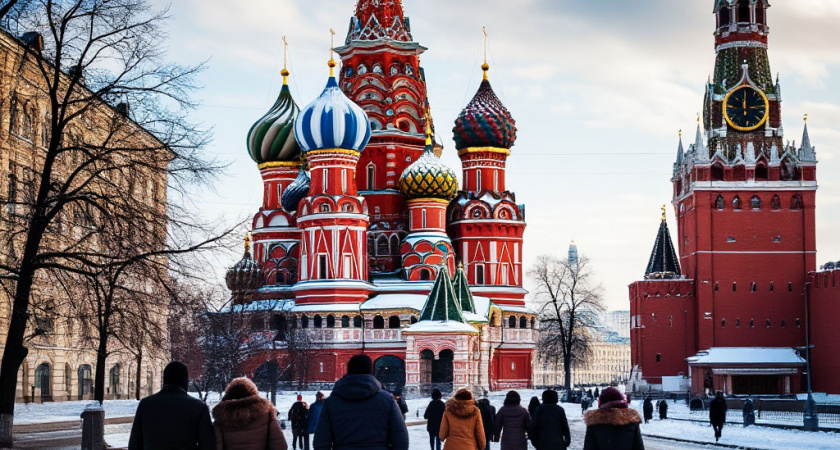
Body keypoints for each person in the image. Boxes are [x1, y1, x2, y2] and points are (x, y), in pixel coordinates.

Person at [313, 355, 408, 450]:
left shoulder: (331, 402)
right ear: (371, 371)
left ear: (348, 371)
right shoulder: (387, 400)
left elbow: (321, 441)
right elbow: (400, 437)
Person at [128, 361, 214, 450]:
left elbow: (135, 443)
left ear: (164, 380)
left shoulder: (146, 404)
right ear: (185, 381)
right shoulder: (199, 407)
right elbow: (207, 444)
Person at [212, 377, 288, 450]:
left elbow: (217, 446)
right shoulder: (266, 414)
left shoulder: (221, 416)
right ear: (253, 392)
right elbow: (280, 445)